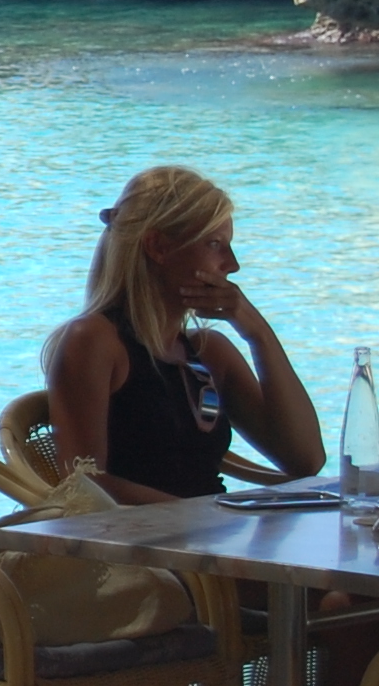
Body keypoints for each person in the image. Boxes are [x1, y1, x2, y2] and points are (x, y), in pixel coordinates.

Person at [44, 165, 324, 502]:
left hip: (208, 539)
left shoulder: (209, 352)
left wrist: (258, 333)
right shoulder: (95, 341)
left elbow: (306, 459)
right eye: (215, 244)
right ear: (158, 247)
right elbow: (84, 486)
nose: (231, 264)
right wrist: (209, 518)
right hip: (135, 546)